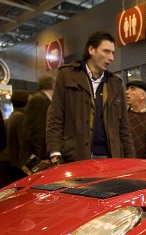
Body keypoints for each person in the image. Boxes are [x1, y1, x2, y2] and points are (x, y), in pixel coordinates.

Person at [46, 31, 134, 163]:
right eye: (106, 51)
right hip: (75, 156)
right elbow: (55, 116)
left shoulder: (116, 83)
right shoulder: (67, 75)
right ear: (91, 50)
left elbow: (124, 127)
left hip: (110, 158)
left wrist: (131, 160)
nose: (111, 58)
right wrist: (54, 152)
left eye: (113, 53)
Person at [0, 90, 31, 182]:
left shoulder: (12, 117)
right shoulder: (21, 117)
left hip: (10, 162)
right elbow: (23, 142)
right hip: (18, 164)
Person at [25, 75, 54, 159]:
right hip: (41, 152)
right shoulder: (40, 99)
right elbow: (39, 128)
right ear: (52, 85)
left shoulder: (41, 98)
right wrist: (42, 154)